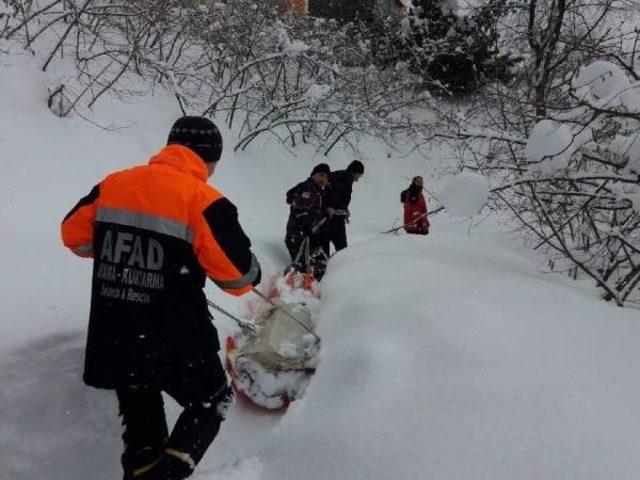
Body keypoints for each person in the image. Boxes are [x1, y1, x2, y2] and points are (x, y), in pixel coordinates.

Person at [61, 116, 261, 480]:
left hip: (115, 329)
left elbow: (72, 236)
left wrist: (122, 254)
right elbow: (238, 278)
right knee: (212, 401)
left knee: (143, 427)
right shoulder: (204, 200)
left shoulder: (114, 184)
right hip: (173, 334)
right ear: (208, 159)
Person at [285, 163, 331, 276]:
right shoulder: (309, 189)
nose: (323, 179)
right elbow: (300, 210)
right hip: (298, 236)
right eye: (321, 175)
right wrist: (307, 227)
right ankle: (291, 290)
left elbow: (311, 210)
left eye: (326, 177)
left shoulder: (316, 190)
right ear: (313, 175)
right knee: (302, 268)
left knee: (316, 263)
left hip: (304, 235)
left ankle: (306, 286)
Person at [325, 160, 365, 252]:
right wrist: (332, 209)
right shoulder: (341, 179)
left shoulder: (344, 177)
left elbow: (340, 201)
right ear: (353, 172)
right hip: (329, 218)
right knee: (341, 250)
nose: (357, 179)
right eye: (358, 176)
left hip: (336, 217)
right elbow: (330, 198)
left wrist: (345, 211)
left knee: (340, 249)